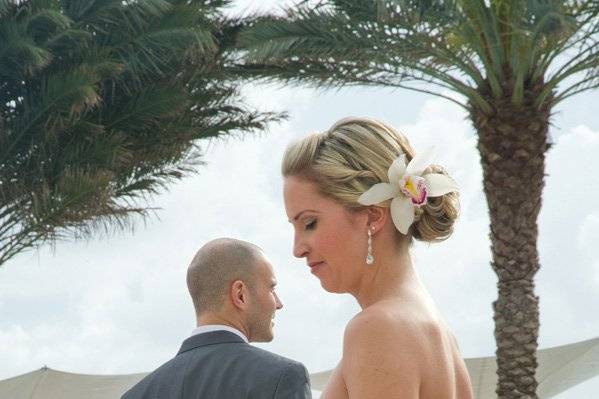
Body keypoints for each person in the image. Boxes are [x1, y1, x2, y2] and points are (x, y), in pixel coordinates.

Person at [283, 117, 474, 398]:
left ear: (372, 216)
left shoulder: (378, 330)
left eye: (310, 223)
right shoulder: (440, 336)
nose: (297, 249)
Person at [122, 238, 312, 399]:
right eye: (272, 288)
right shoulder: (282, 376)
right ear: (240, 294)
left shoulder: (137, 394)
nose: (278, 303)